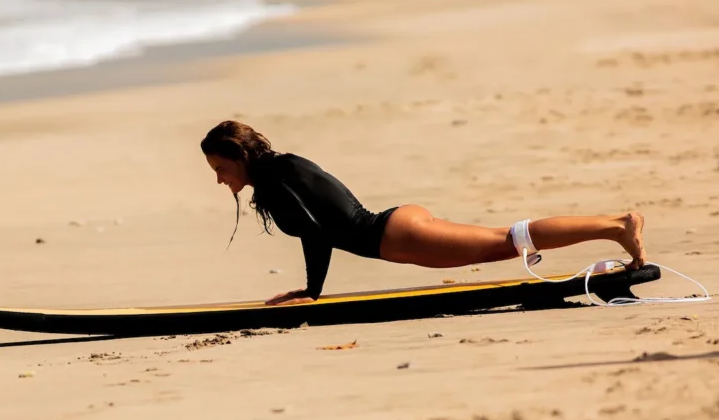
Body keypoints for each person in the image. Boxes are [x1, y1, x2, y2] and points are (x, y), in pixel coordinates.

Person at [200, 120, 646, 306]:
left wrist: (312, 292)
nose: (220, 179)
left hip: (396, 236)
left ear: (239, 155)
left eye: (221, 168)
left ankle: (616, 225)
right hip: (397, 227)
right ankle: (612, 227)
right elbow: (318, 229)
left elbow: (315, 234)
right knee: (505, 241)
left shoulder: (277, 180)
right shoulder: (283, 168)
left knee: (509, 241)